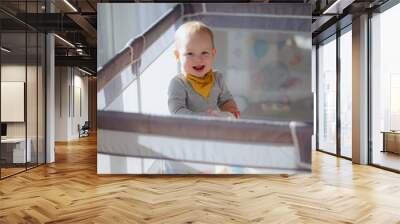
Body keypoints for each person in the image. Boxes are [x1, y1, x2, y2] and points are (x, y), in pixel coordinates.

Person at [168, 21, 240, 118]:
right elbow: (177, 111)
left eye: (204, 52)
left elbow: (225, 99)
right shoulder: (179, 83)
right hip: (190, 130)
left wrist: (231, 108)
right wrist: (203, 117)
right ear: (177, 55)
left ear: (213, 53)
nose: (198, 59)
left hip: (213, 126)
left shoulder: (217, 78)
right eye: (190, 54)